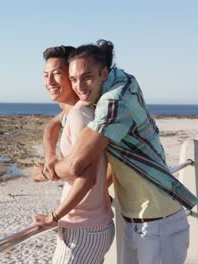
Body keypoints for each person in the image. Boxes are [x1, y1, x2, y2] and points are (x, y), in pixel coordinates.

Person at [39, 39, 197, 264]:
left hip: (158, 222)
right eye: (74, 79)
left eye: (87, 77)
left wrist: (47, 173)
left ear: (103, 73)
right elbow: (53, 123)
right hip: (135, 218)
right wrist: (50, 155)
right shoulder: (115, 83)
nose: (79, 86)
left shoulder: (113, 103)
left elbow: (77, 165)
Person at [32, 45, 114, 264]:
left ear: (71, 75)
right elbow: (52, 125)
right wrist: (50, 157)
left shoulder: (80, 115)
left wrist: (53, 217)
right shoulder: (72, 114)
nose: (49, 81)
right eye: (45, 75)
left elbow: (86, 177)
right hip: (88, 225)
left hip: (83, 229)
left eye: (57, 74)